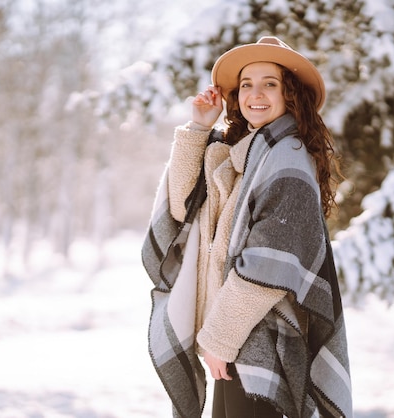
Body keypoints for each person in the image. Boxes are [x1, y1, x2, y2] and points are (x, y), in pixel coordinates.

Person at [142, 36, 353, 418]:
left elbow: (269, 264)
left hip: (260, 342)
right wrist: (197, 128)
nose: (256, 94)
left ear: (290, 95)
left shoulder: (286, 159)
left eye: (269, 84)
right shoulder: (241, 155)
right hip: (232, 337)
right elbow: (182, 208)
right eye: (246, 85)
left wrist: (221, 339)